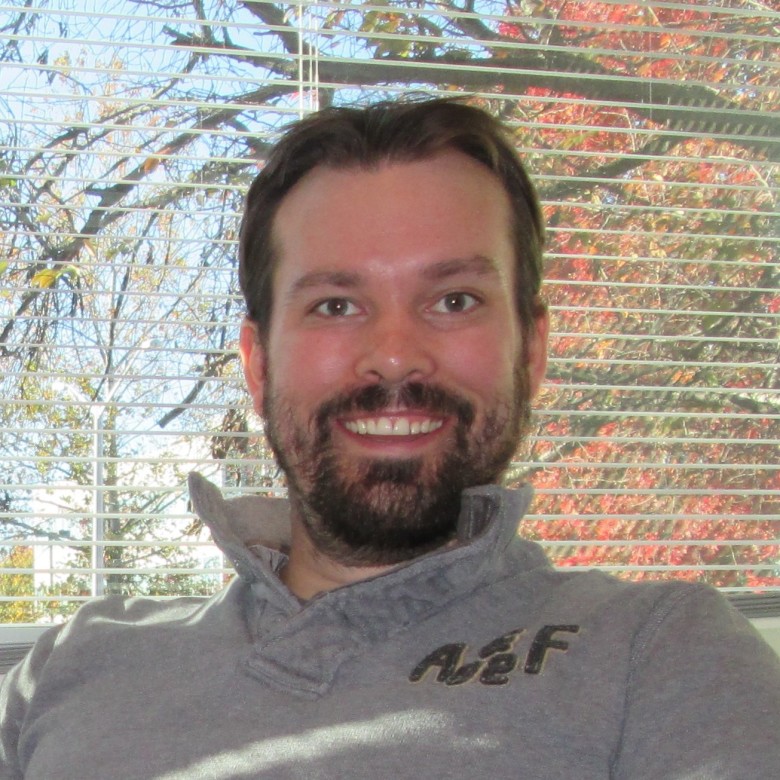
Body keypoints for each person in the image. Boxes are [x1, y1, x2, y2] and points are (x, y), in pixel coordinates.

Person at [1, 98, 778, 780]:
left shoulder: (659, 654)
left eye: (454, 298)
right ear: (258, 363)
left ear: (531, 351)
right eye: (337, 305)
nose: (396, 352)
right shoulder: (72, 666)